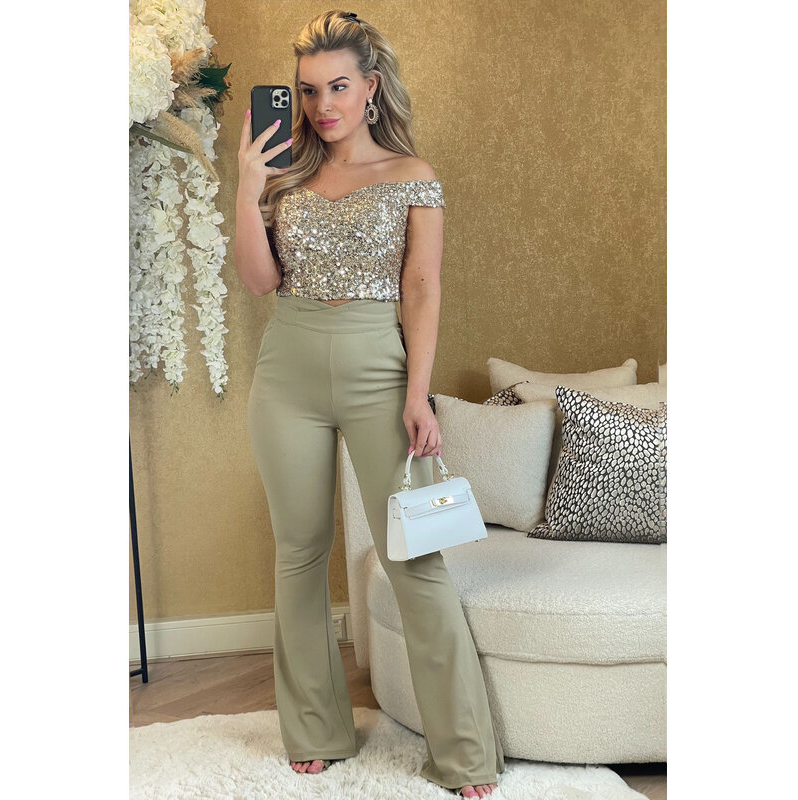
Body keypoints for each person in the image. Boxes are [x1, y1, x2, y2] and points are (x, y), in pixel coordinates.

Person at [236, 10, 504, 798]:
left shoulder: (412, 173)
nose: (323, 105)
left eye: (339, 87)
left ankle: (463, 754)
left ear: (371, 87)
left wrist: (418, 395)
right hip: (286, 370)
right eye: (309, 90)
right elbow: (260, 280)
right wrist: (247, 189)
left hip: (377, 370)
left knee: (413, 556)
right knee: (299, 552)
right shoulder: (284, 174)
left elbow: (422, 287)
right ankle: (314, 729)